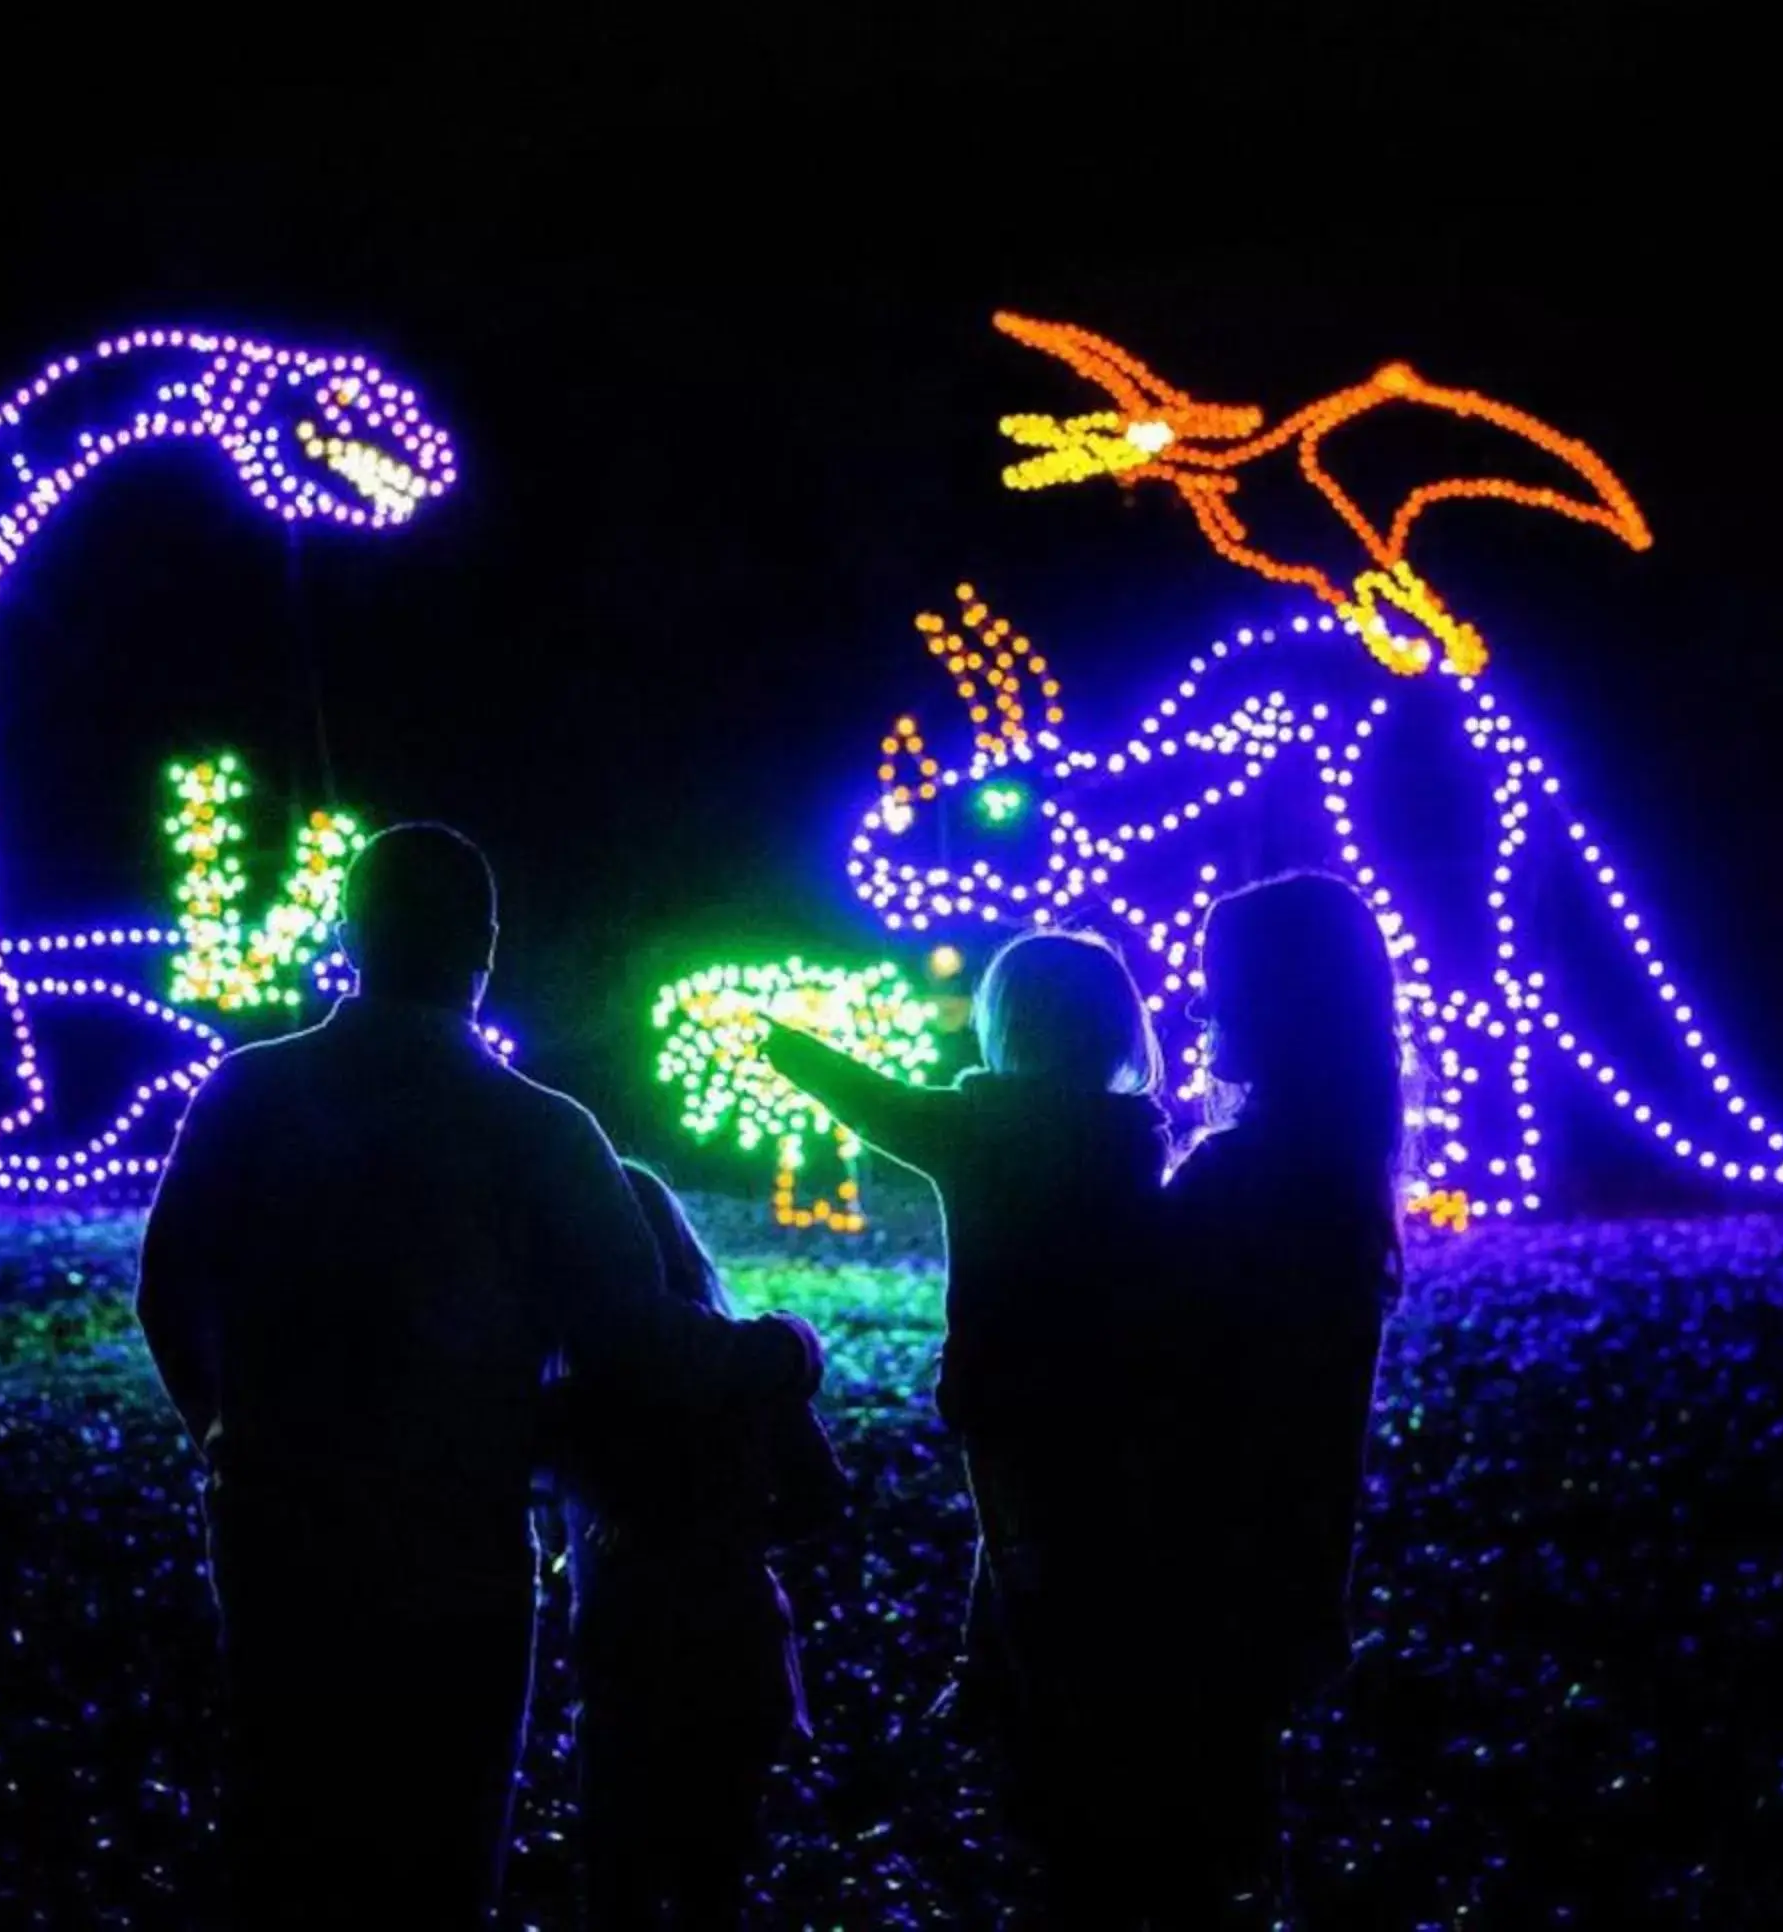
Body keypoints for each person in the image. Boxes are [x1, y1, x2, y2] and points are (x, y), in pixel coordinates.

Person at [135, 822, 823, 1928]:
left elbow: (168, 1290)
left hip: (278, 1534)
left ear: (353, 933)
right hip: (454, 1544)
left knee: (287, 1826)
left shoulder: (247, 1094)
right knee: (441, 1844)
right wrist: (783, 1352)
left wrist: (222, 1433)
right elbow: (635, 1341)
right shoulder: (538, 1130)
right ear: (484, 948)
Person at [760, 930, 1171, 1922]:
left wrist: (781, 1044)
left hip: (1002, 1394)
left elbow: (871, 1100)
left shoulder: (973, 1125)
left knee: (1027, 1552)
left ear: (1004, 1022)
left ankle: (1042, 1766)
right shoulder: (1133, 1135)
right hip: (1111, 1394)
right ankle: (1025, 1709)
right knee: (1057, 1550)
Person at [1149, 869, 1406, 1924]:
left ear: (1281, 1002)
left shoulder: (1244, 1179)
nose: (1201, 1010)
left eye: (1221, 985)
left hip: (1196, 1564)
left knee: (1188, 1845)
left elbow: (1147, 1352)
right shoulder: (1342, 1172)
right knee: (1240, 1829)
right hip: (1283, 1563)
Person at [551, 1162, 852, 1929]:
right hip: (732, 1640)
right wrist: (729, 1538)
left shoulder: (575, 1390)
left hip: (628, 1652)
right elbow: (821, 1498)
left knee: (619, 1876)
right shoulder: (745, 1367)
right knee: (712, 1872)